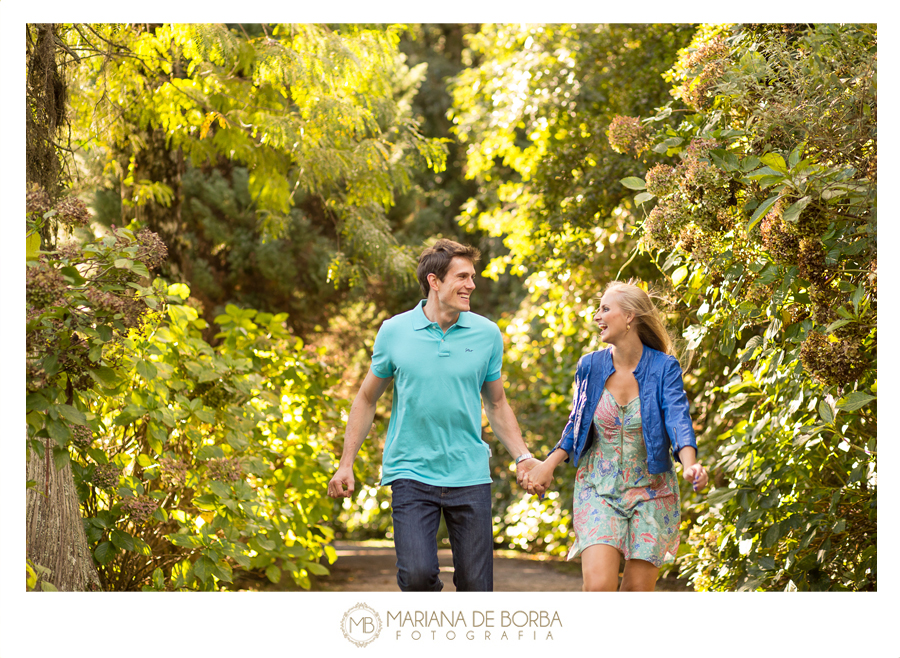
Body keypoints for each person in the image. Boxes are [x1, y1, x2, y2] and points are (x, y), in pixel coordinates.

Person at [327, 239, 538, 591]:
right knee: (417, 575)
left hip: (469, 473)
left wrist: (523, 456)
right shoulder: (394, 331)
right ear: (434, 281)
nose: (471, 284)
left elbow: (497, 404)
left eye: (472, 276)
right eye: (462, 276)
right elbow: (366, 398)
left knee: (475, 584)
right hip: (411, 471)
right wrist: (346, 462)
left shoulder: (486, 334)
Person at [522, 280, 708, 592]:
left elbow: (678, 417)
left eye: (605, 309)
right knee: (599, 589)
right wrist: (548, 465)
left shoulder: (664, 367)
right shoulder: (590, 365)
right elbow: (577, 424)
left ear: (630, 316)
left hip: (651, 492)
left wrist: (690, 463)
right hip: (598, 488)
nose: (597, 316)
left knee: (636, 594)